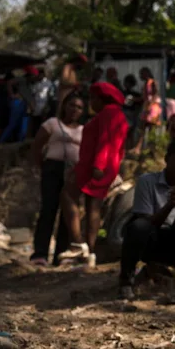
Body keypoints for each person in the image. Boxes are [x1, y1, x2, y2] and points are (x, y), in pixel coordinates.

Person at [119, 140, 175, 302]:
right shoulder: (146, 181)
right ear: (167, 160)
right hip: (151, 243)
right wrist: (169, 206)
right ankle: (125, 281)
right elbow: (144, 223)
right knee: (137, 225)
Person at [58, 82, 129, 264]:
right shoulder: (119, 114)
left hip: (94, 165)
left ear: (99, 99)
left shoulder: (107, 113)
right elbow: (120, 147)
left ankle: (77, 244)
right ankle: (90, 252)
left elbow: (105, 141)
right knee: (93, 207)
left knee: (68, 194)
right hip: (107, 166)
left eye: (92, 99)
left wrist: (98, 166)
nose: (90, 103)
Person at [29, 92, 85, 266]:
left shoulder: (83, 130)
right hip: (53, 168)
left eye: (79, 107)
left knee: (67, 215)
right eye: (72, 105)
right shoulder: (52, 124)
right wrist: (41, 166)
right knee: (48, 210)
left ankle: (61, 254)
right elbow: (37, 145)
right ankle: (40, 254)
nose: (75, 110)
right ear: (64, 106)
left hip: (73, 173)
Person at [0, 66, 38, 143]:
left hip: (26, 105)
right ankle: (1, 141)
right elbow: (9, 83)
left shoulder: (30, 84)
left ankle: (19, 143)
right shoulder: (21, 80)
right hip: (18, 103)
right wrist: (12, 95)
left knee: (23, 127)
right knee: (12, 124)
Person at [29, 68, 54, 138]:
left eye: (40, 75)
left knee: (44, 124)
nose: (38, 76)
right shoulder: (36, 84)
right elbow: (33, 95)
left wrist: (47, 106)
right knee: (36, 123)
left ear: (43, 75)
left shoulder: (48, 83)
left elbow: (50, 96)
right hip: (36, 106)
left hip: (45, 106)